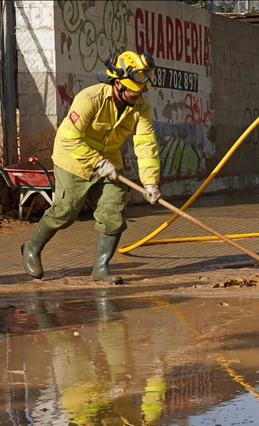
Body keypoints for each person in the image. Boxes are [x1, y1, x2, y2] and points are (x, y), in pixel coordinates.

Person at [21, 51, 162, 284]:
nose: (138, 95)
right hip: (74, 159)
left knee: (114, 213)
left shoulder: (141, 108)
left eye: (141, 91)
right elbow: (69, 139)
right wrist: (96, 162)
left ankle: (100, 268)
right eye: (133, 91)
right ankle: (31, 246)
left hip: (110, 163)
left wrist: (150, 183)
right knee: (65, 212)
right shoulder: (89, 98)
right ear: (117, 84)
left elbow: (146, 144)